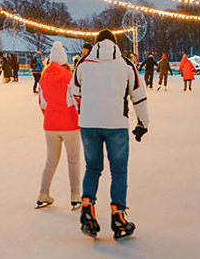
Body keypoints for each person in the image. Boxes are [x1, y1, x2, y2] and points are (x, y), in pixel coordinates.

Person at [72, 29, 149, 240]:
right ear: (115, 44)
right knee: (119, 171)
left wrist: (86, 108)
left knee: (93, 168)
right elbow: (138, 95)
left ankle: (87, 211)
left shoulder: (83, 62)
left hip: (88, 125)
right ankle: (118, 217)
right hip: (116, 124)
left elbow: (74, 91)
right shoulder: (125, 64)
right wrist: (143, 122)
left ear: (96, 44)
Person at [36, 41, 82, 210]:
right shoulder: (69, 78)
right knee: (73, 160)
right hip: (70, 125)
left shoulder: (43, 80)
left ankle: (43, 193)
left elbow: (42, 104)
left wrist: (50, 117)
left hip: (50, 126)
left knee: (51, 161)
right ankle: (75, 195)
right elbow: (76, 101)